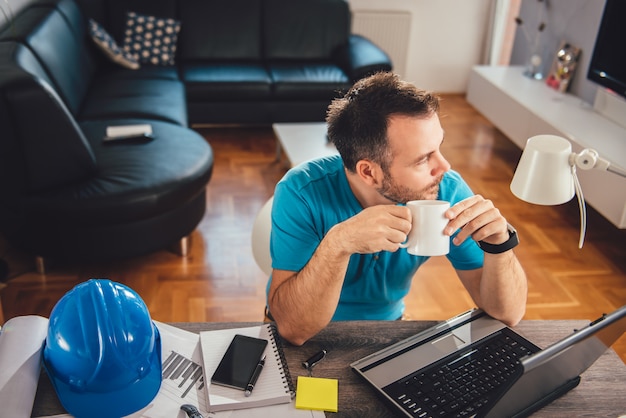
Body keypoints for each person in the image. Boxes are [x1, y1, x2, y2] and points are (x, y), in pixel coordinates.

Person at [266, 72, 527, 346]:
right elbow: (293, 329)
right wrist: (338, 244)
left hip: (388, 331)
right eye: (423, 159)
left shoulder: (444, 189)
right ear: (369, 172)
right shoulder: (302, 192)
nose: (445, 167)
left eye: (438, 147)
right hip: (309, 336)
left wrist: (499, 245)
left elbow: (507, 315)